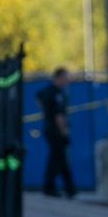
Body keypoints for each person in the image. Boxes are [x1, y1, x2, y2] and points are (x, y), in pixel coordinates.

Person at [35, 67, 75, 198]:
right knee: (55, 159)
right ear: (59, 77)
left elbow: (38, 97)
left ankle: (70, 188)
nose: (67, 80)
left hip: (48, 128)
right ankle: (49, 187)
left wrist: (47, 111)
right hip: (56, 132)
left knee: (60, 159)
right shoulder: (57, 94)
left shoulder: (47, 91)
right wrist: (64, 132)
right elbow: (59, 115)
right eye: (65, 77)